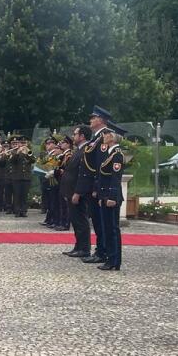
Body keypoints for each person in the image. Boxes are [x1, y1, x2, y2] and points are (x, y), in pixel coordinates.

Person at [75, 108, 111, 263]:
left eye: (93, 117)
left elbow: (102, 165)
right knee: (96, 221)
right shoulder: (96, 138)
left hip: (96, 186)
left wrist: (97, 187)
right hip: (90, 185)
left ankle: (102, 252)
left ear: (101, 120)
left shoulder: (104, 136)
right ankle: (100, 250)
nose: (91, 120)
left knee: (99, 222)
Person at [95, 128, 125, 271]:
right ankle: (111, 259)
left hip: (112, 197)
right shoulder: (110, 153)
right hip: (105, 196)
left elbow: (115, 177)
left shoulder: (117, 155)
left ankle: (114, 260)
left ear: (112, 137)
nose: (104, 136)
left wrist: (112, 197)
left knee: (112, 229)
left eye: (106, 134)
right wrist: (102, 196)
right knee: (108, 228)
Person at [61, 126, 93, 258]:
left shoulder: (86, 151)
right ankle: (78, 246)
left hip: (77, 192)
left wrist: (78, 192)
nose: (73, 137)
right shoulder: (78, 150)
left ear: (82, 136)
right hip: (71, 191)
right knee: (75, 220)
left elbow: (83, 174)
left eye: (75, 134)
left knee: (80, 221)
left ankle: (84, 248)